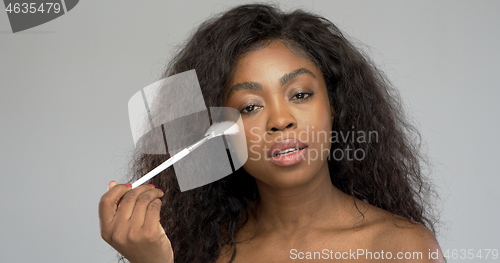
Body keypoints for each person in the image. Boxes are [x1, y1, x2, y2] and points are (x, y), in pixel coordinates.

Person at [99, 4, 443, 263]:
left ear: (334, 105)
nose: (280, 120)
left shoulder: (401, 248)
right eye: (250, 107)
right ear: (217, 134)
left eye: (300, 94)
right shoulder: (202, 250)